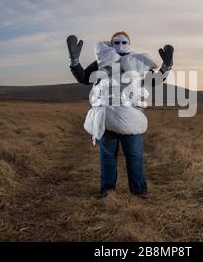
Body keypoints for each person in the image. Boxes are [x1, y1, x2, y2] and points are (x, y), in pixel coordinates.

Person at [66, 31, 174, 198]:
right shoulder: (102, 61)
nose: (120, 46)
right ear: (111, 44)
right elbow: (84, 77)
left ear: (129, 43)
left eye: (124, 42)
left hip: (130, 116)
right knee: (108, 155)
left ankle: (138, 191)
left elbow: (153, 81)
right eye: (116, 42)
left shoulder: (137, 62)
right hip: (106, 115)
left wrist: (166, 67)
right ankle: (108, 192)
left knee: (134, 154)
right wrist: (74, 60)